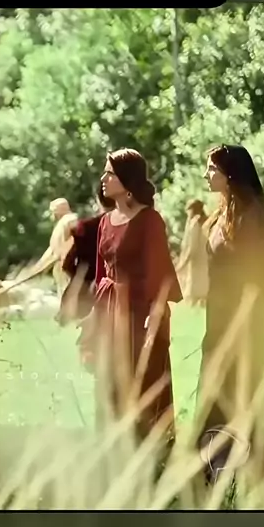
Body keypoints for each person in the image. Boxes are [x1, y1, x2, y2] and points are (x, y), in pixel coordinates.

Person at [79, 149, 182, 440]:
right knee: (108, 382)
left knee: (143, 382)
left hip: (140, 313)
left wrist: (155, 313)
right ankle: (112, 448)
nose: (103, 178)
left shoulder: (150, 220)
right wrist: (93, 316)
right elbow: (101, 273)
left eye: (109, 173)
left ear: (127, 180)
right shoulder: (105, 222)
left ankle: (151, 450)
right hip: (109, 313)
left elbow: (159, 270)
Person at [196, 145, 264, 483]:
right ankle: (216, 473)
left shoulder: (253, 216)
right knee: (214, 397)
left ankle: (246, 477)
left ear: (231, 174)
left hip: (242, 326)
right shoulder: (221, 214)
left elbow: (258, 278)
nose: (206, 174)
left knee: (238, 398)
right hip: (218, 321)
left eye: (212, 169)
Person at [57, 185, 115, 327]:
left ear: (98, 200)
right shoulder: (136, 227)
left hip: (87, 295)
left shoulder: (86, 228)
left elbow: (67, 265)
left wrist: (80, 279)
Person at [33, 198, 78, 296]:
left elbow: (76, 241)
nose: (52, 214)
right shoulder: (61, 225)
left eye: (53, 211)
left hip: (69, 269)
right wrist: (38, 267)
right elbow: (52, 249)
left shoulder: (71, 220)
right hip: (61, 270)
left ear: (59, 210)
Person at [176, 199, 209, 307]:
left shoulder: (195, 223)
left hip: (196, 263)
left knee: (194, 296)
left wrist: (182, 264)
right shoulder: (207, 221)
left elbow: (192, 247)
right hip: (206, 261)